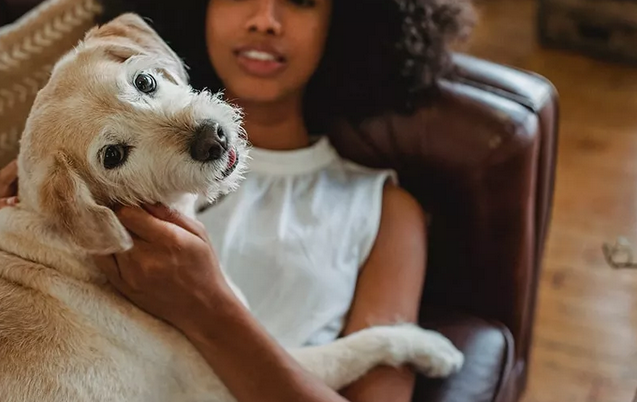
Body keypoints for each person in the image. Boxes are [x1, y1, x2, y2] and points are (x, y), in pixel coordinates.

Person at [0, 1, 473, 401]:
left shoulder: (382, 208)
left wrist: (207, 305)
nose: (265, 18)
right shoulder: (86, 191)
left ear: (345, 18)